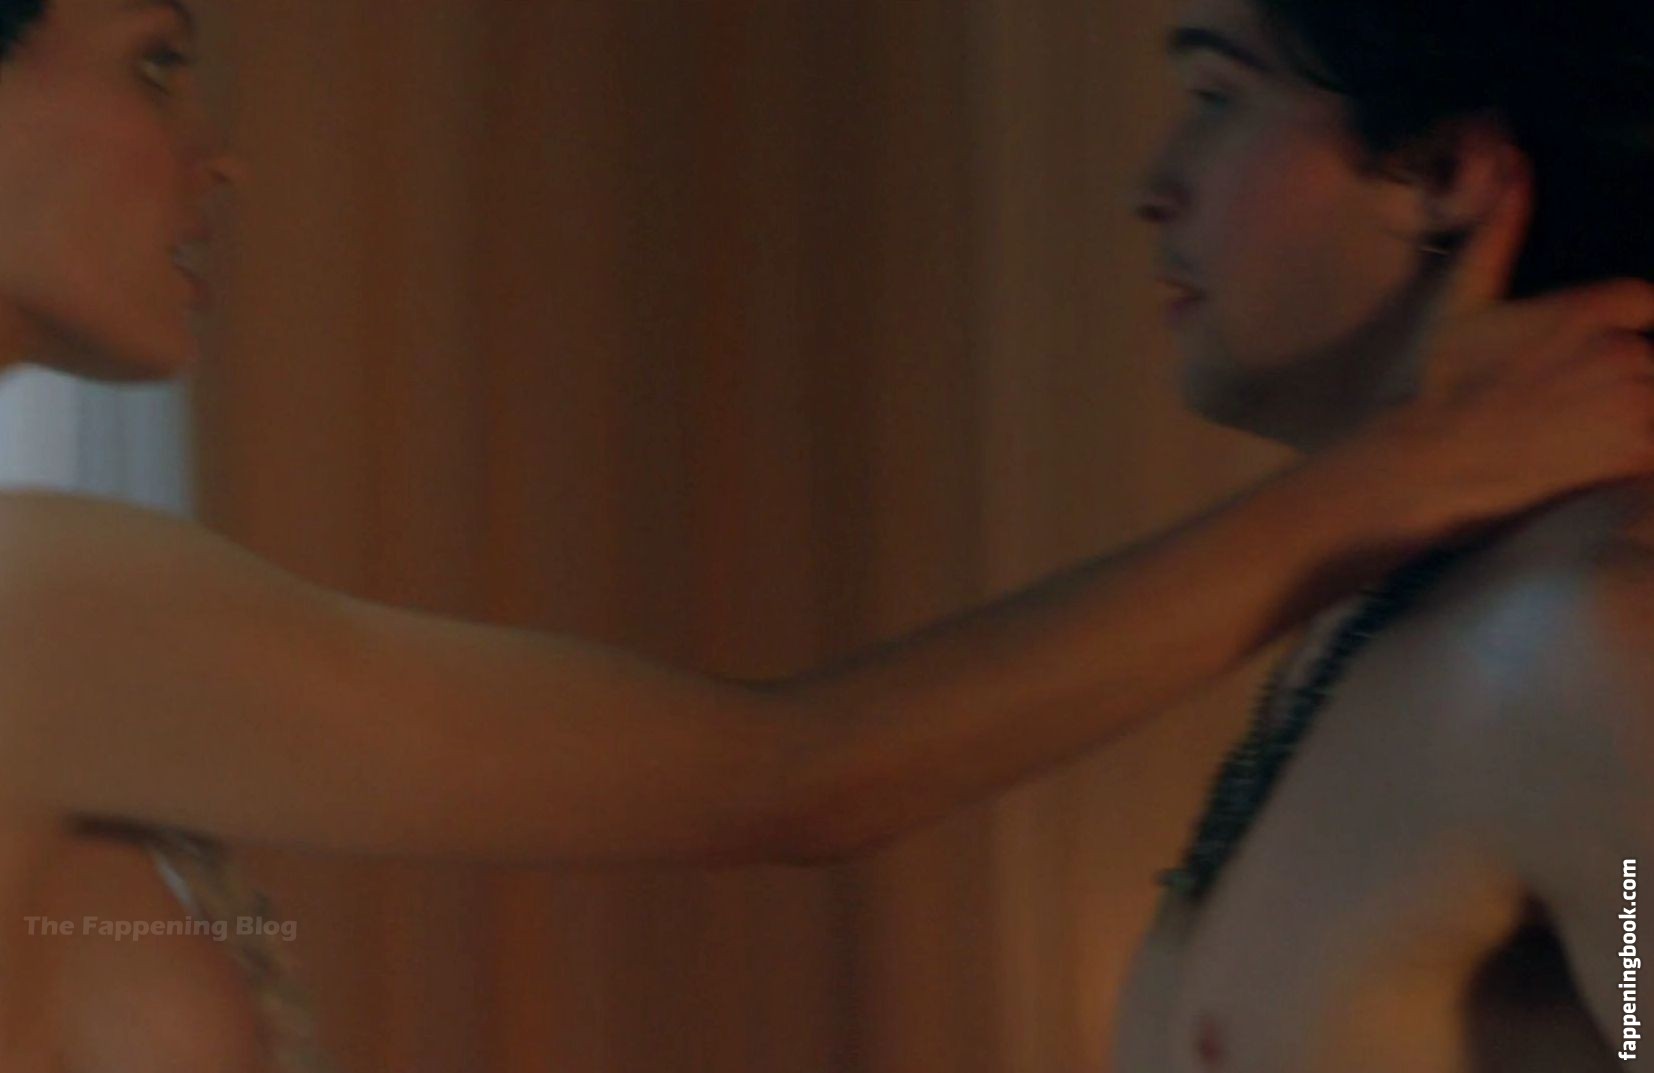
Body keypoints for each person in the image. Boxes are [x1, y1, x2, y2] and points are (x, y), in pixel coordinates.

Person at [0, 0, 1647, 1069]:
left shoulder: (1553, 649)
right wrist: (1384, 482)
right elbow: (785, 772)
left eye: (1218, 96)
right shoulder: (45, 608)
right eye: (152, 59)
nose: (222, 151)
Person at [1118, 0, 1654, 1068]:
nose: (1152, 185)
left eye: (1218, 98)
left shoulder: (1580, 639)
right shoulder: (1378, 611)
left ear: (1445, 172)